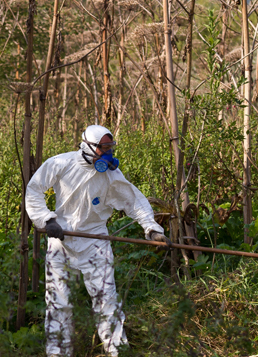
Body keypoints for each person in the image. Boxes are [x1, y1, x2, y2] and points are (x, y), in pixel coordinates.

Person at [26, 124, 170, 357]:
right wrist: (46, 220)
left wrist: (152, 229)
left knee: (107, 302)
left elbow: (133, 201)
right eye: (103, 148)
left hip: (95, 241)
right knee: (59, 303)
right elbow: (34, 190)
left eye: (110, 147)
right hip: (60, 241)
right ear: (89, 146)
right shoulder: (60, 164)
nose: (108, 154)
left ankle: (117, 352)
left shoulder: (111, 175)